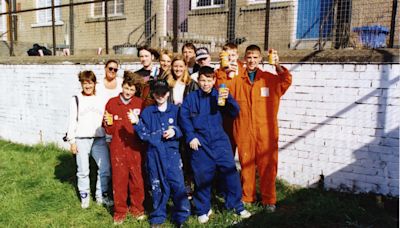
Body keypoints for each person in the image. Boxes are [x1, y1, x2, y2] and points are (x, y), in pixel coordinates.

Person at [179, 66, 251, 224]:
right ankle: (202, 209)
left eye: (209, 80)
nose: (205, 84)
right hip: (200, 142)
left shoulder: (219, 94)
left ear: (214, 81)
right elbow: (184, 117)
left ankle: (236, 206)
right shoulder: (191, 98)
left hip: (219, 141)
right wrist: (191, 136)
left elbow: (234, 112)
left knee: (230, 173)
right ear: (198, 81)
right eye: (202, 80)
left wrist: (229, 99)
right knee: (202, 177)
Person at [229, 45, 292, 212]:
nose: (252, 60)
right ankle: (247, 197)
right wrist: (227, 69)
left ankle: (269, 200)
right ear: (244, 58)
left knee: (268, 165)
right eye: (249, 57)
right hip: (244, 130)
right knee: (246, 164)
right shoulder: (237, 79)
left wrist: (277, 66)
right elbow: (222, 88)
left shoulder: (270, 79)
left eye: (255, 57)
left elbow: (286, 80)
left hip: (266, 131)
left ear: (260, 59)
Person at [128, 80, 191, 227]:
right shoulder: (148, 112)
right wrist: (136, 123)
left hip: (171, 154)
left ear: (168, 94)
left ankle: (181, 215)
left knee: (178, 185)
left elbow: (184, 128)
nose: (160, 96)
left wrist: (174, 131)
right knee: (157, 186)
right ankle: (158, 216)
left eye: (163, 93)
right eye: (157, 93)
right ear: (153, 94)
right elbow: (143, 135)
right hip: (154, 154)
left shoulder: (176, 110)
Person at [65, 70, 112, 209]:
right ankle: (84, 196)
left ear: (94, 83)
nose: (87, 86)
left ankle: (101, 195)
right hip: (81, 139)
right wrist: (72, 141)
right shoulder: (76, 99)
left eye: (90, 83)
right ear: (81, 84)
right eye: (85, 83)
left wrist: (108, 135)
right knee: (83, 170)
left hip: (99, 139)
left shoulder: (101, 98)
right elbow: (72, 121)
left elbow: (106, 118)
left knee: (105, 168)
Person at [103, 73, 146, 225]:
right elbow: (107, 129)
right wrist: (108, 124)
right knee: (119, 180)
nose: (128, 92)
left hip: (135, 147)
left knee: (137, 180)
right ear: (122, 87)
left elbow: (144, 126)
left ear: (136, 91)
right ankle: (120, 211)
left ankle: (137, 209)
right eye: (126, 88)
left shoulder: (139, 103)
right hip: (118, 148)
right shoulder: (112, 103)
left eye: (132, 89)